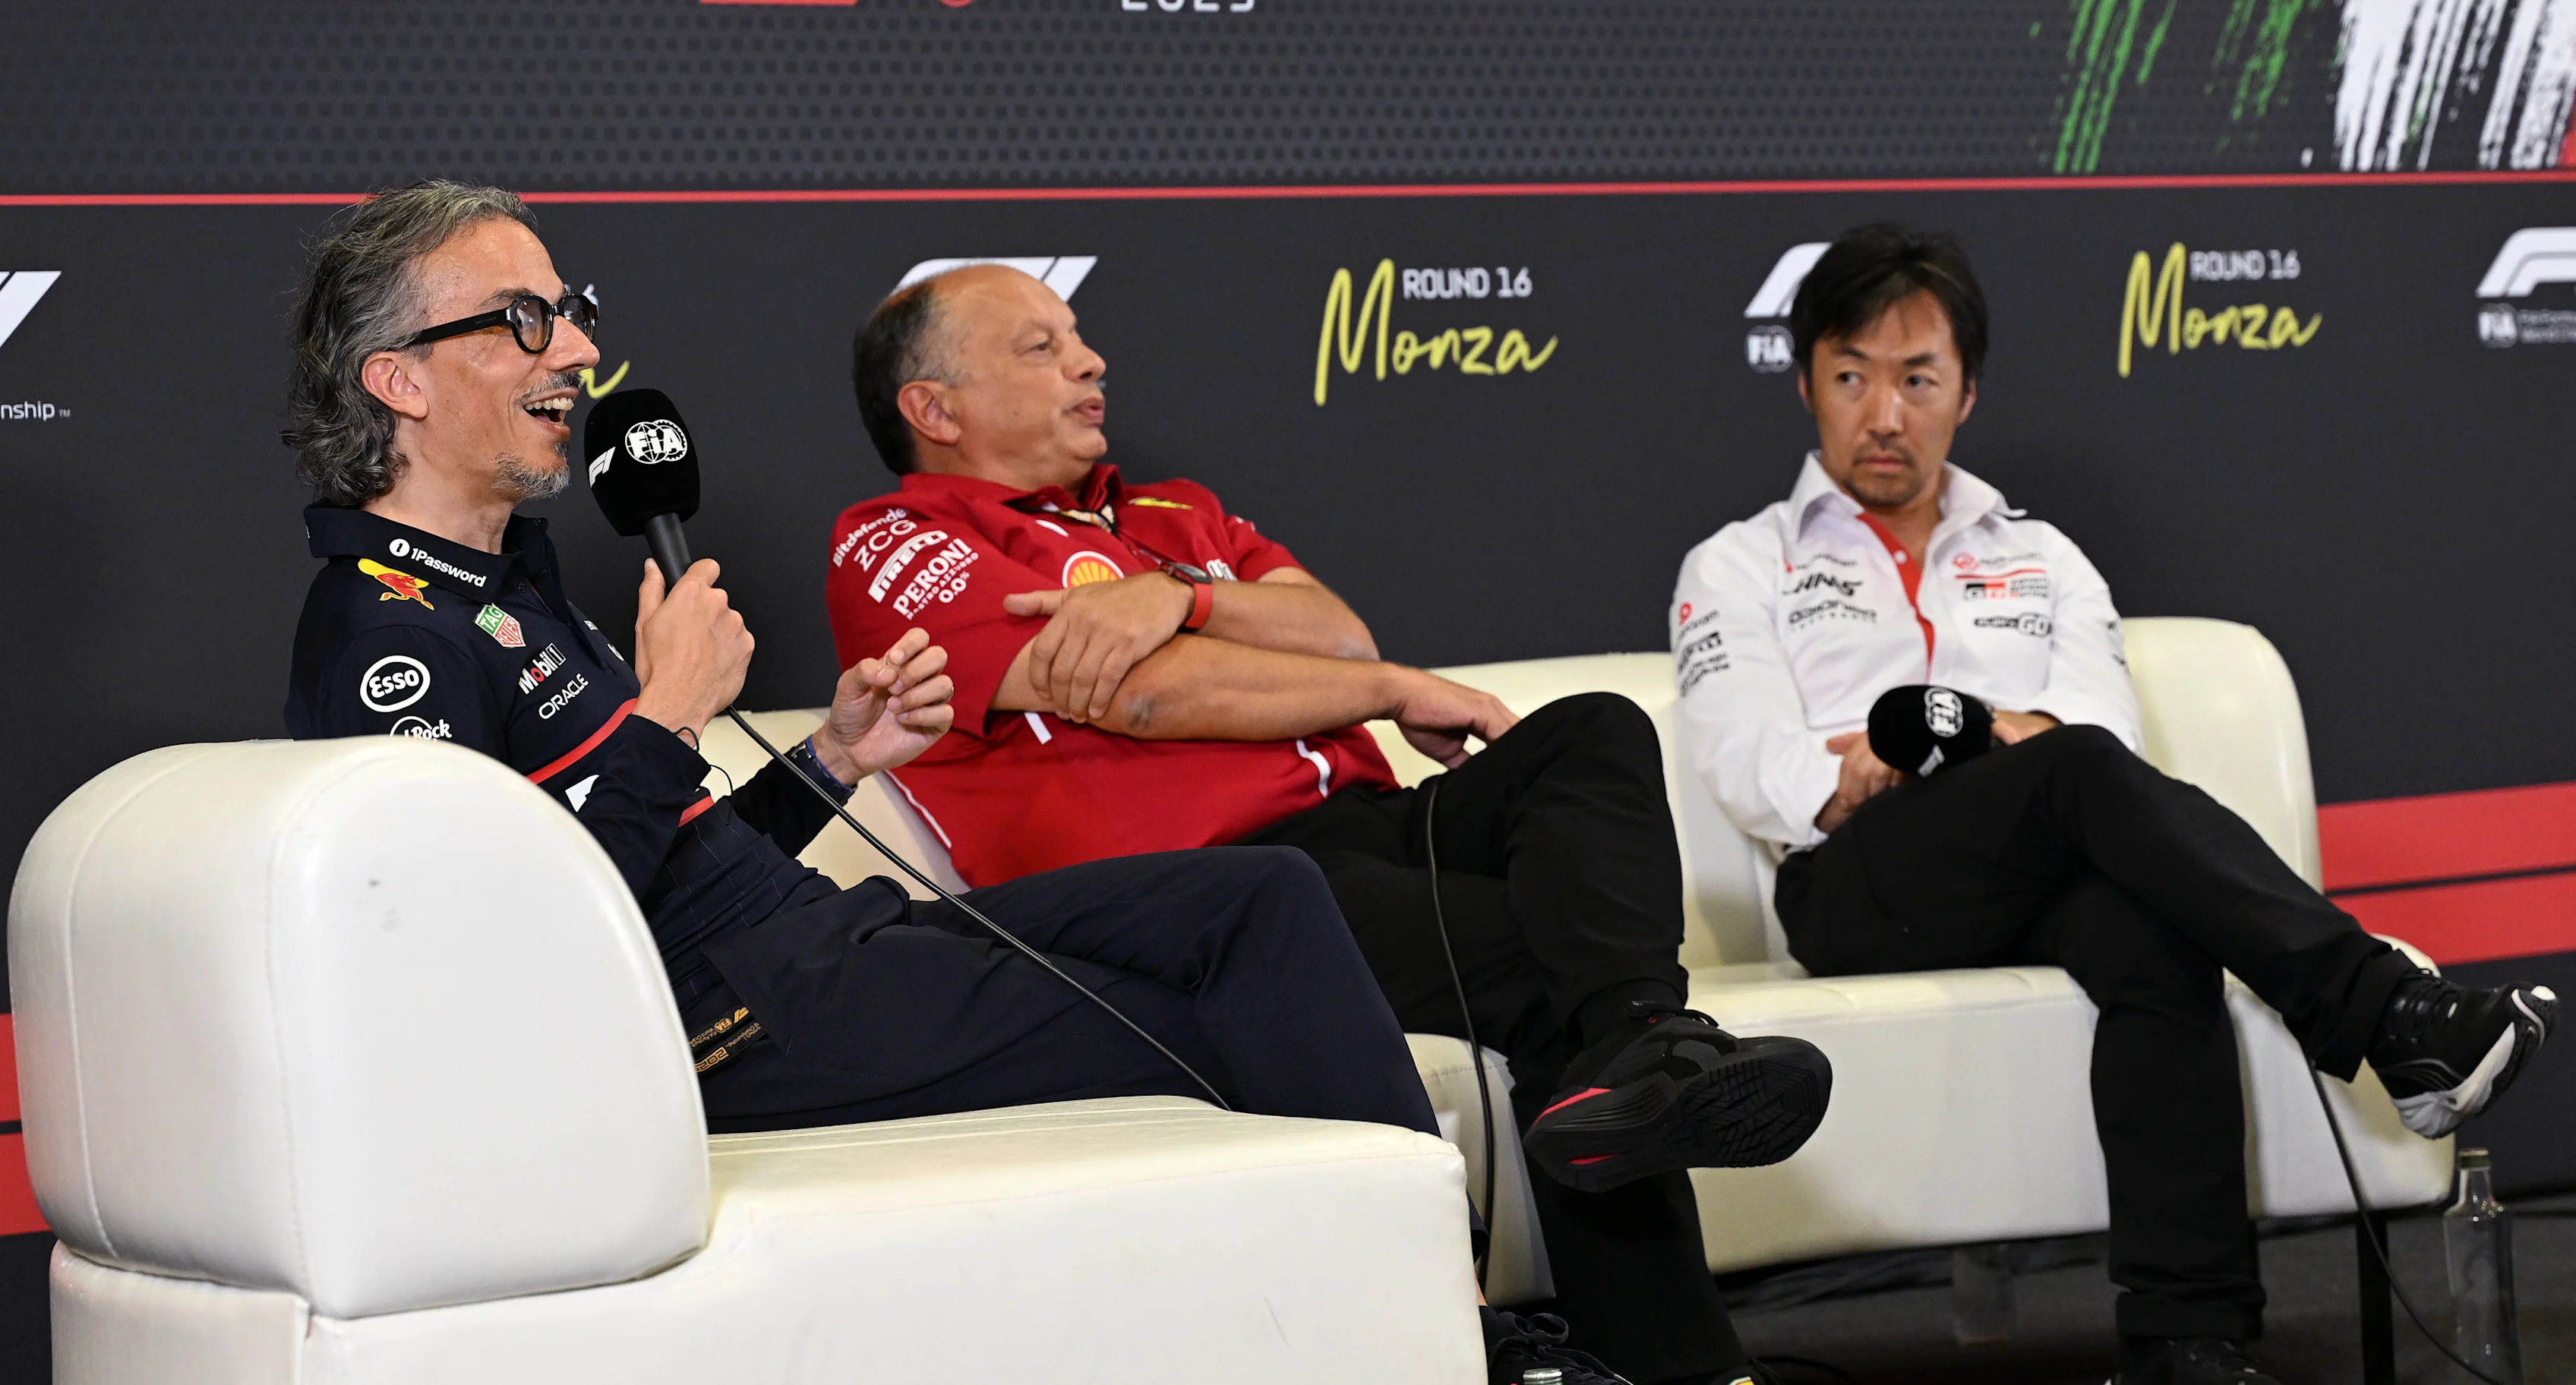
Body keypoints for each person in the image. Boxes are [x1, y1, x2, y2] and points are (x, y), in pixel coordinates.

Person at [276, 183, 1656, 1385]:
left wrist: (828, 763)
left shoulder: (511, 587)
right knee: (1230, 1010)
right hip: (739, 1027)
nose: (576, 345)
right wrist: (671, 717)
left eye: (567, 308)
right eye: (525, 318)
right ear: (399, 379)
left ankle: (1432, 1325)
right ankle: (1444, 1345)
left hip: (820, 945)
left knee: (1259, 908)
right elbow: (491, 945)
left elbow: (662, 849)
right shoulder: (381, 632)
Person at [826, 263, 1831, 1385]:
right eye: (1040, 347)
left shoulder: (1173, 514)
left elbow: (1339, 635)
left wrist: (1181, 596)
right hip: (1216, 899)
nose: (1090, 361)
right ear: (935, 408)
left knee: (1590, 735)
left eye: (1080, 338)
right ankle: (1682, 1353)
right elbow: (1135, 696)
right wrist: (1391, 692)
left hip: (1364, 822)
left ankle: (1648, 1049)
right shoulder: (898, 538)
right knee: (1553, 966)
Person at [1668, 222, 2559, 1385]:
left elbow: (2099, 737)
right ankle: (2389, 1016)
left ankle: (2187, 1341)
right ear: (1806, 384)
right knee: (2073, 785)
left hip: (2030, 852)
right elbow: (1751, 762)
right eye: (1852, 376)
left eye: (1917, 378)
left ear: (1966, 393)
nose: (1884, 413)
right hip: (1856, 884)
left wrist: (1959, 736)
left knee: (2147, 932)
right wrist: (1891, 761)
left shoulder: (2045, 557)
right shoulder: (1739, 565)